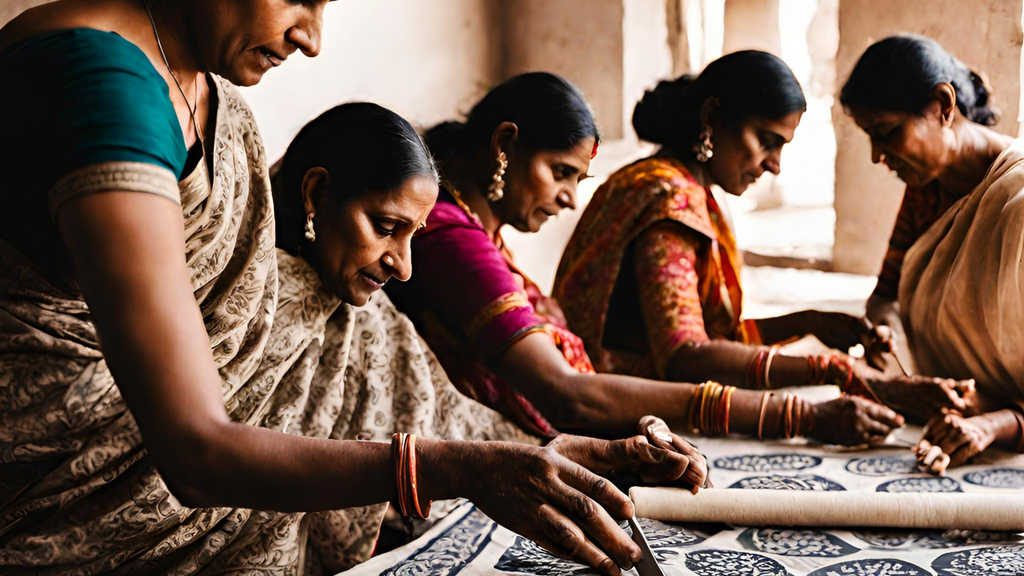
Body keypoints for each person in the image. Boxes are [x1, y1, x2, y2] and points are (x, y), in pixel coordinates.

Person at [0, 4, 700, 574]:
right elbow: (195, 452)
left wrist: (557, 455)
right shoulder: (100, 79)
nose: (311, 37)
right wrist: (463, 470)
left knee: (342, 319)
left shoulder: (207, 93)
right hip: (60, 483)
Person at [386, 71, 906, 448]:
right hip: (568, 414)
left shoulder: (479, 232)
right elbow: (648, 366)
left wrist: (809, 326)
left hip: (600, 402)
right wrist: (801, 412)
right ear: (505, 144)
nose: (570, 199)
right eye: (560, 172)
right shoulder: (452, 236)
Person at [552, 51, 971, 423]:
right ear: (711, 118)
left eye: (783, 147)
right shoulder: (669, 201)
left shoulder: (666, 183)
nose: (774, 165)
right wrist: (834, 369)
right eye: (767, 142)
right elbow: (686, 357)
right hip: (615, 410)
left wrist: (807, 322)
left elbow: (703, 339)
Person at [839, 35, 1024, 474]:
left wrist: (993, 423)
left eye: (885, 133)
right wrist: (887, 335)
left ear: (944, 105)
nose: (876, 156)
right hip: (946, 412)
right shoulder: (926, 190)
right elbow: (886, 295)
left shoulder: (1017, 201)